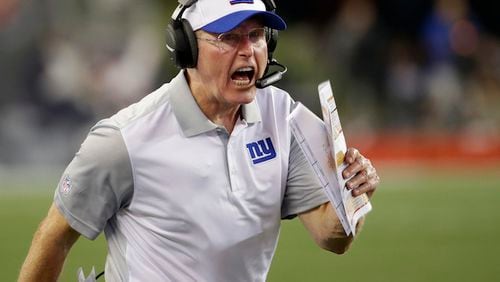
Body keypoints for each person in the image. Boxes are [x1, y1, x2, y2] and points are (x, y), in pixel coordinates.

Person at [18, 0, 380, 281]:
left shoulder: (284, 118)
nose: (247, 51)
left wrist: (352, 196)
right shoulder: (125, 139)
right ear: (186, 48)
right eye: (228, 38)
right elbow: (54, 236)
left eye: (255, 36)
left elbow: (331, 238)